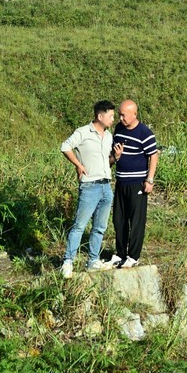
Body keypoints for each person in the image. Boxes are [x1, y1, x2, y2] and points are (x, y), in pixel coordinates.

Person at [60, 100, 121, 278]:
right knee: (79, 225)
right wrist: (78, 164)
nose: (112, 119)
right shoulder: (83, 132)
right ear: (100, 116)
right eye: (110, 116)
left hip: (105, 185)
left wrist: (115, 157)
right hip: (89, 186)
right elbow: (65, 147)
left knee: (100, 227)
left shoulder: (109, 136)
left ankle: (93, 260)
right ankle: (68, 261)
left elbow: (106, 162)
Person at [109, 99, 160, 269]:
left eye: (124, 115)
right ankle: (120, 253)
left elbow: (153, 155)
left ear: (134, 114)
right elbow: (114, 151)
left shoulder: (145, 133)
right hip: (121, 181)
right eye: (120, 114)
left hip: (137, 182)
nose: (121, 117)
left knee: (136, 220)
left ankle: (133, 256)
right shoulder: (119, 129)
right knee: (119, 219)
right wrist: (116, 156)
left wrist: (149, 180)